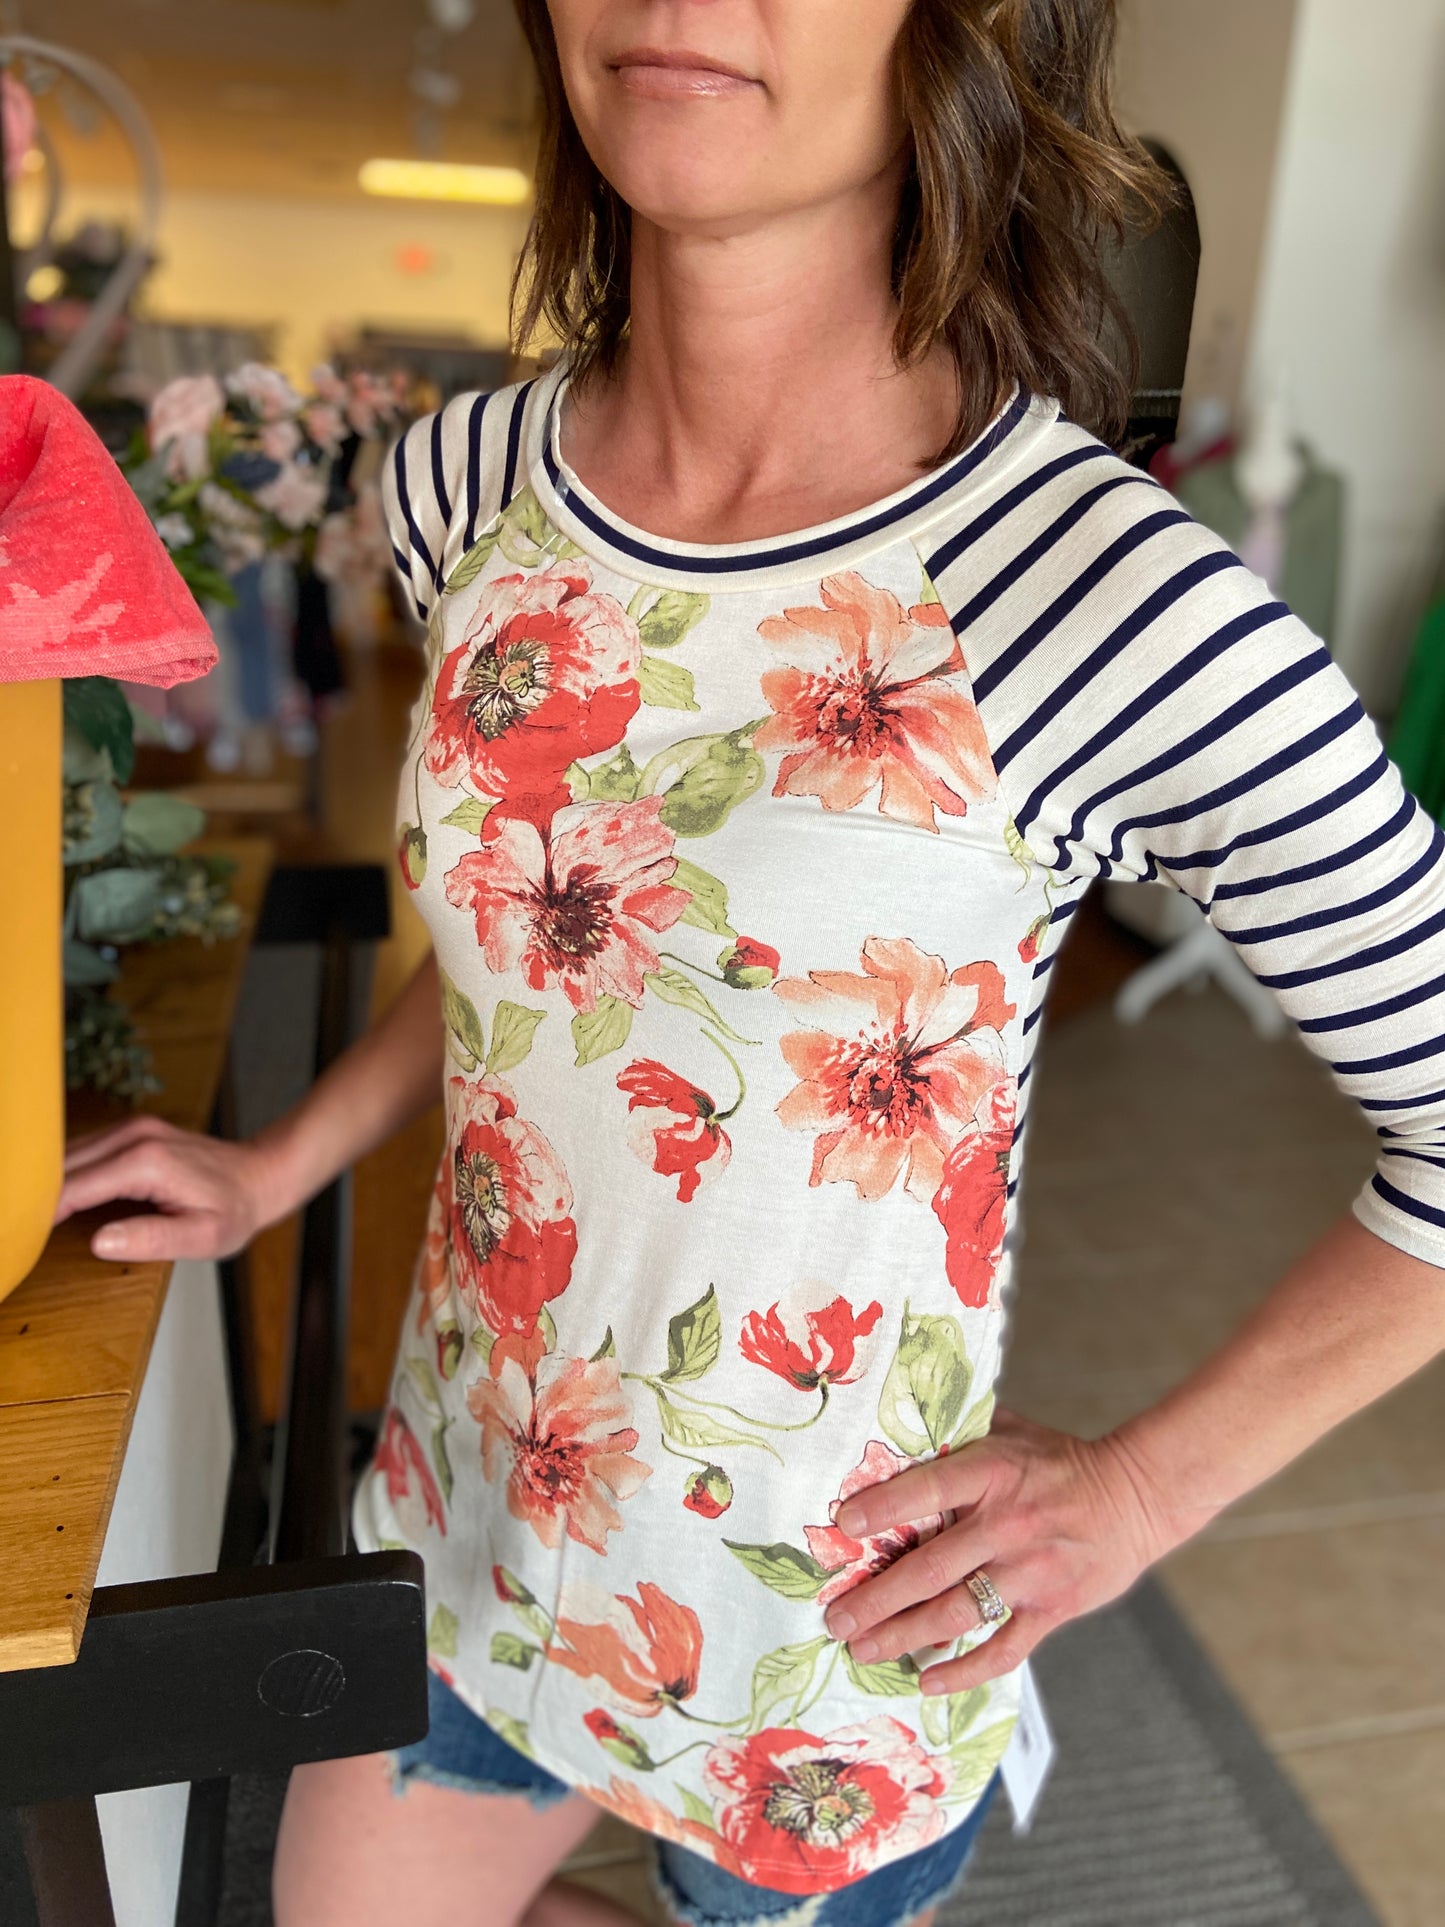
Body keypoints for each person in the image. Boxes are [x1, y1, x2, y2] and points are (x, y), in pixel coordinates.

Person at [56, 4, 1445, 1924]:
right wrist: (278, 1163)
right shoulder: (468, 489)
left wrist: (1136, 1497)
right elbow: (547, 954)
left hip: (823, 1643)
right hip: (471, 1533)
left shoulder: (1108, 602)